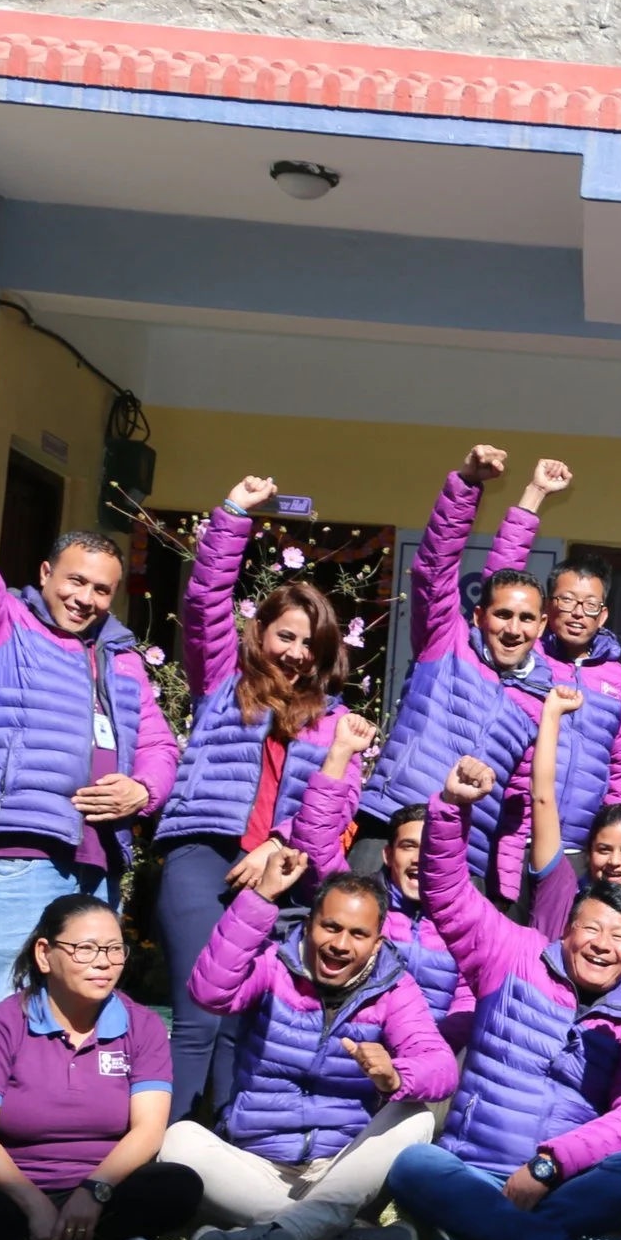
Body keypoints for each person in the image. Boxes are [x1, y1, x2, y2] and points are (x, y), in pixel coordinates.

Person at [0, 385, 176, 1043]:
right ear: (45, 573)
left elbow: (160, 747)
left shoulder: (122, 658)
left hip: (97, 862)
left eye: (101, 589)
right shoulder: (1, 624)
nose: (86, 598)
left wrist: (142, 791)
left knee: (75, 1021)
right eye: (75, 581)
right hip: (20, 856)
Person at [381, 760, 621, 1240]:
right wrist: (451, 809)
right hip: (473, 1169)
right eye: (591, 930)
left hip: (563, 1179)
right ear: (568, 930)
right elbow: (449, 896)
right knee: (414, 1166)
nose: (601, 946)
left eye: (618, 938)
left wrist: (549, 1165)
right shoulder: (512, 953)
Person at [150, 471, 352, 1118]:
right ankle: (162, 1153)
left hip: (278, 874)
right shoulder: (221, 681)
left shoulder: (337, 721)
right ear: (261, 632)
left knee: (243, 1021)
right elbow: (205, 596)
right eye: (285, 635)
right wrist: (235, 512)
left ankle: (222, 1153)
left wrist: (278, 843)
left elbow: (337, 809)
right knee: (199, 1015)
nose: (295, 652)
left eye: (311, 643)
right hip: (202, 856)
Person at [161, 850, 456, 1240]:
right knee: (178, 1140)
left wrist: (395, 1076)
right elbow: (210, 992)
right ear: (309, 923)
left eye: (358, 934)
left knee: (416, 1115)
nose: (340, 944)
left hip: (343, 1170)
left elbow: (440, 1066)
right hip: (256, 1165)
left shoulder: (394, 987)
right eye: (330, 927)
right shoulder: (273, 964)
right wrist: (260, 898)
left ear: (377, 942)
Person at [0, 893, 202, 1240]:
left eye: (114, 949)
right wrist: (33, 1204)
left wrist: (93, 1192)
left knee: (180, 1186)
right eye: (86, 949)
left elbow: (148, 1130)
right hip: (10, 1193)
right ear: (44, 954)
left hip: (105, 1194)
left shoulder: (143, 1026)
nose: (104, 962)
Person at [351, 445, 550, 879]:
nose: (513, 628)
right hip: (390, 824)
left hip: (464, 857)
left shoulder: (542, 698)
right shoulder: (447, 640)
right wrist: (468, 484)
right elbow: (434, 568)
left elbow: (518, 800)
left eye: (526, 618)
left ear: (541, 625)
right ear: (478, 616)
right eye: (502, 615)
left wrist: (504, 885)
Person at [478, 459, 621, 901]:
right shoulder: (522, 657)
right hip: (508, 837)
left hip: (577, 850)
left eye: (590, 606)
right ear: (549, 606)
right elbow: (499, 580)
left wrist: (605, 842)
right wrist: (533, 496)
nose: (577, 613)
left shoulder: (620, 683)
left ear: (603, 615)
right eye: (567, 600)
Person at [292, 736, 461, 1027]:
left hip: (426, 1048)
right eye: (408, 846)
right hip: (351, 1043)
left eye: (431, 850)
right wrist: (341, 750)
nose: (419, 859)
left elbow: (468, 1002)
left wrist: (430, 1046)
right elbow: (314, 842)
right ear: (388, 855)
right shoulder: (356, 903)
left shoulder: (462, 923)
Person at [519, 686, 621, 939]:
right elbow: (542, 798)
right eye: (604, 849)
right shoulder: (559, 887)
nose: (615, 862)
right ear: (589, 851)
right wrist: (552, 714)